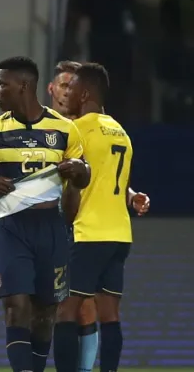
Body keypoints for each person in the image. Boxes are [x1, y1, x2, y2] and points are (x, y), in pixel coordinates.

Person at [0, 56, 90, 372]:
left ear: (23, 86)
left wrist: (78, 170)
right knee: (15, 307)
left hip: (51, 227)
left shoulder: (63, 129)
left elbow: (85, 176)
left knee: (45, 313)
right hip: (11, 228)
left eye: (1, 84)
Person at [52, 63, 151, 372]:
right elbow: (110, 181)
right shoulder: (121, 132)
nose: (66, 94)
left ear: (84, 94)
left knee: (66, 311)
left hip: (88, 233)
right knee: (110, 314)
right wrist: (132, 195)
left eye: (71, 89)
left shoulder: (78, 130)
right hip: (120, 234)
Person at [47, 60, 103, 372]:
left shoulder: (91, 127)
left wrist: (130, 194)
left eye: (75, 86)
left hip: (83, 227)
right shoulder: (40, 126)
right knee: (46, 306)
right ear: (51, 89)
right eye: (65, 85)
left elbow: (107, 174)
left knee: (85, 306)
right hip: (45, 225)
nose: (70, 92)